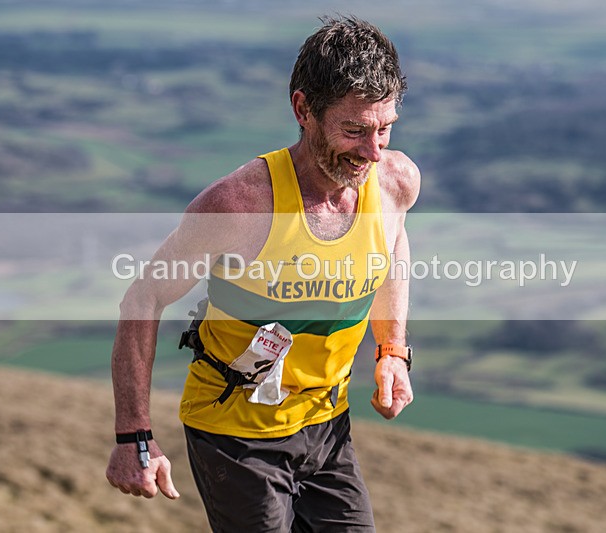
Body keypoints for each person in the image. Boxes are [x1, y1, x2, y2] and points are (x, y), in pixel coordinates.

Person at [106, 15, 420, 531]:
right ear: (304, 110)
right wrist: (133, 436)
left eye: (385, 128)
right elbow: (142, 299)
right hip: (234, 434)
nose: (373, 151)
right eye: (355, 130)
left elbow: (392, 248)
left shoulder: (395, 183)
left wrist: (393, 352)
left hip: (327, 424)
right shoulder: (238, 206)